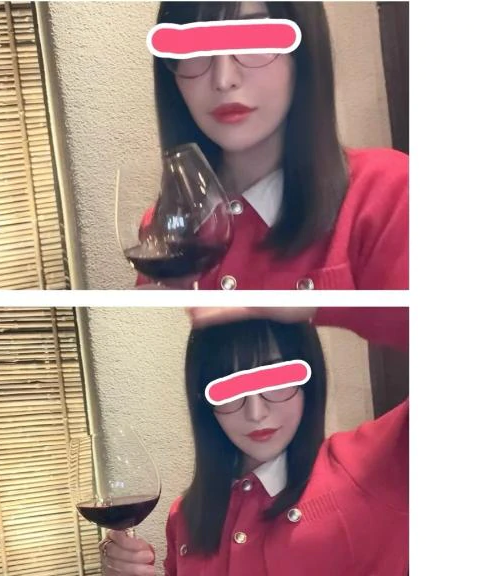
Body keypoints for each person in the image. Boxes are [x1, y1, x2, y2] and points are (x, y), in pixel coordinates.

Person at [99, 307, 409, 575]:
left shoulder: (374, 463)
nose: (256, 412)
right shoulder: (186, 516)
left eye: (276, 380)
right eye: (229, 390)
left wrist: (320, 306)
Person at [137, 1, 408, 290]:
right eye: (194, 45)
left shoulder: (389, 193)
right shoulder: (168, 227)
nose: (224, 80)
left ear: (303, 53)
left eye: (254, 37)